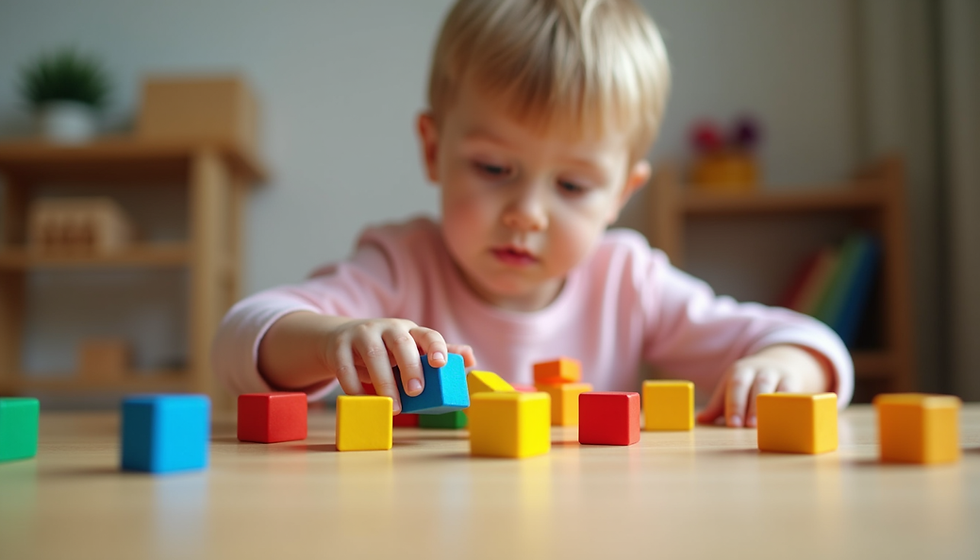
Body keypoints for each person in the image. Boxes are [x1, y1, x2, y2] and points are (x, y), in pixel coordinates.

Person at [212, 0, 853, 428]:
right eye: (494, 170)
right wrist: (331, 341)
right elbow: (242, 337)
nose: (526, 213)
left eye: (572, 185)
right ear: (435, 150)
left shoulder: (627, 281)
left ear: (620, 195)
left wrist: (787, 368)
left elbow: (808, 343)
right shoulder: (400, 266)